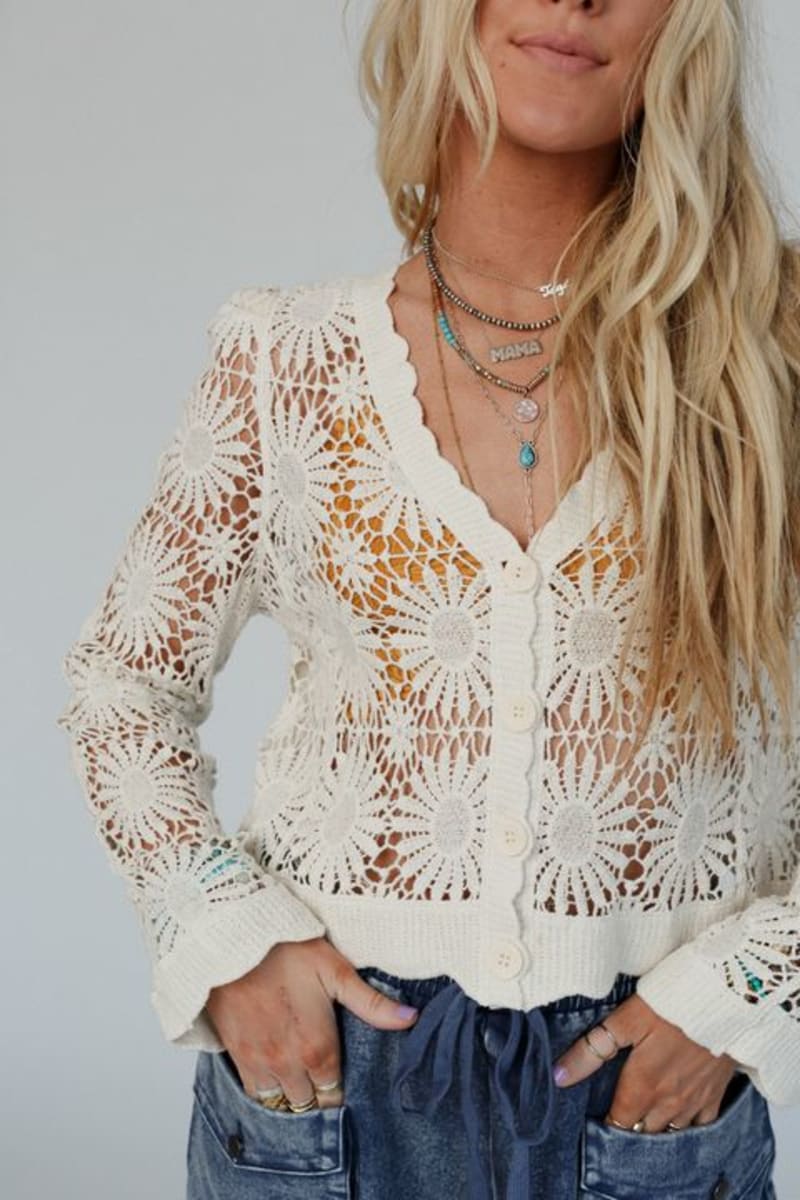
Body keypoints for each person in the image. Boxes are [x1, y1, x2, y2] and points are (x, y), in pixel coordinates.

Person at [56, 0, 799, 1197]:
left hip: (650, 1105)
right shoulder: (286, 362)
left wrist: (753, 985)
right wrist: (227, 940)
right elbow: (121, 683)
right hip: (328, 1095)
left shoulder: (767, 353)